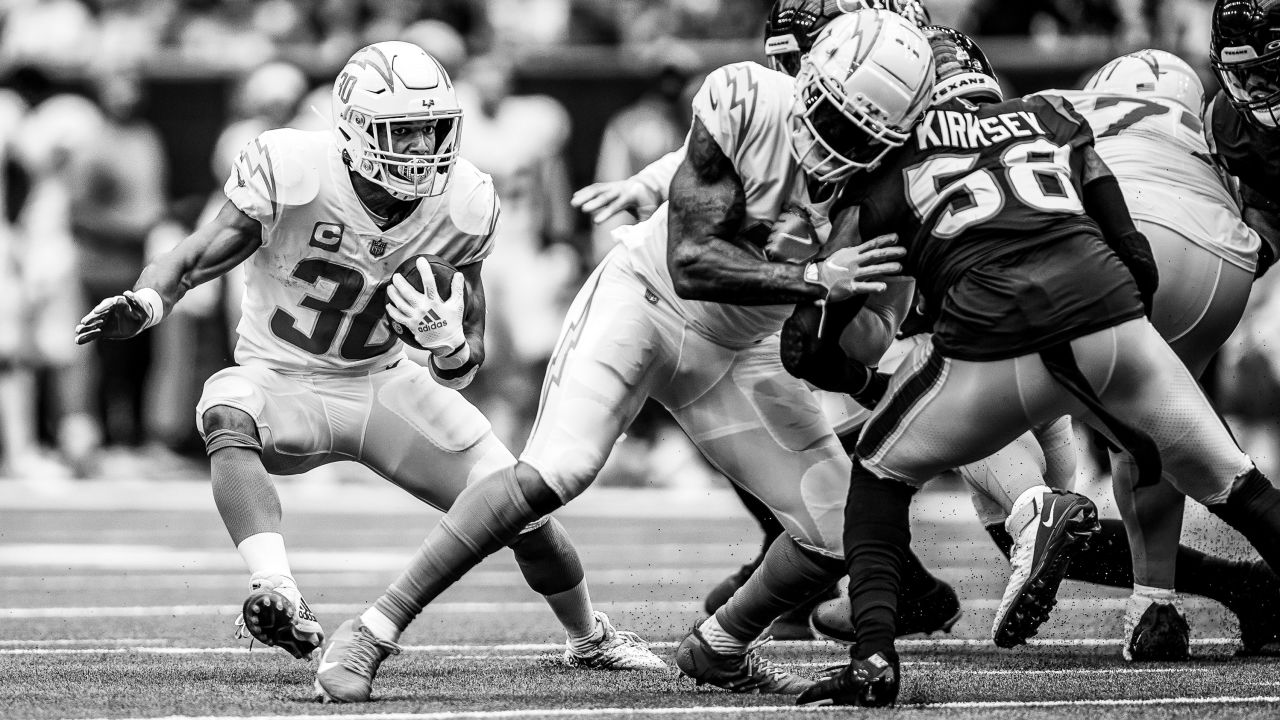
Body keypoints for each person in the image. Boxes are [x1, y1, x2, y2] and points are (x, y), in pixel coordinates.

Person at [310, 9, 937, 703]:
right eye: (828, 113)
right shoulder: (749, 99)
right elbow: (694, 259)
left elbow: (851, 330)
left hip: (740, 352)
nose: (832, 143)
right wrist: (819, 279)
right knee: (555, 472)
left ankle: (721, 646)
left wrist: (861, 350)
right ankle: (373, 628)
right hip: (645, 301)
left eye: (860, 135)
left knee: (839, 525)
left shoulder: (894, 190)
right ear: (808, 78)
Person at [73, 40, 664, 691]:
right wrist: (150, 299)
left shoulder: (464, 202)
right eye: (400, 131)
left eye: (430, 130)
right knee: (226, 406)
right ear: (353, 129)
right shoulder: (293, 167)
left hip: (384, 384)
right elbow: (196, 254)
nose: (419, 148)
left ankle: (590, 635)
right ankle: (277, 591)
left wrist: (445, 345)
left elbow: (467, 361)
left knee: (519, 505)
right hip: (283, 379)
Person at [795, 26, 1280, 707]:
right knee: (1237, 484)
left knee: (879, 472)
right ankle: (1195, 585)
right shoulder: (1049, 115)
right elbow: (1133, 254)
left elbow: (806, 347)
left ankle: (874, 656)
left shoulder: (885, 178)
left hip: (1001, 348)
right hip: (1123, 308)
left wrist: (830, 306)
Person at [570, 0, 956, 642]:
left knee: (808, 394)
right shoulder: (794, 108)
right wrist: (651, 182)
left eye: (801, 54)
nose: (792, 74)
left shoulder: (896, 123)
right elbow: (740, 162)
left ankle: (898, 580)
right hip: (836, 298)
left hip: (889, 301)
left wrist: (836, 299)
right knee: (775, 405)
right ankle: (845, 574)